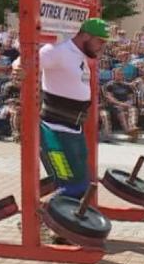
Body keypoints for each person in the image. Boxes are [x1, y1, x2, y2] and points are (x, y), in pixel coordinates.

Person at [39, 18, 110, 200]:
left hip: (74, 130)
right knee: (69, 186)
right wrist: (18, 68)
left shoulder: (80, 55)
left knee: (81, 185)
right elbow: (25, 60)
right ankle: (38, 219)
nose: (101, 47)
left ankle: (52, 220)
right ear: (85, 35)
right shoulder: (58, 50)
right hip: (54, 132)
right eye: (99, 41)